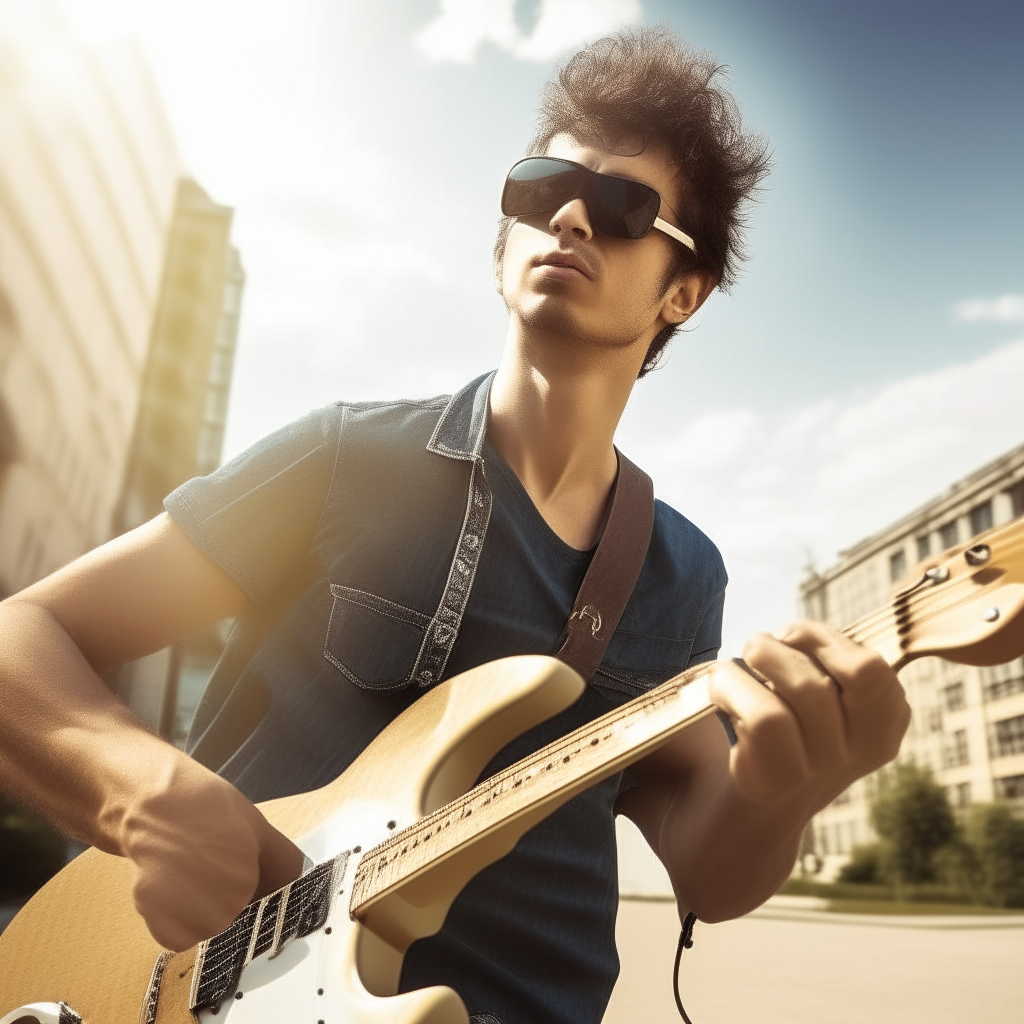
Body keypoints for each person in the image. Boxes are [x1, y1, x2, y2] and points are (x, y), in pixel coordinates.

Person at [0, 26, 910, 1024]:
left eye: (622, 206)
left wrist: (790, 788)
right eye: (537, 187)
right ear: (501, 241)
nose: (567, 215)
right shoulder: (345, 457)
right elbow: (21, 640)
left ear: (682, 293)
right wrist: (139, 788)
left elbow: (707, 869)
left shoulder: (680, 572)